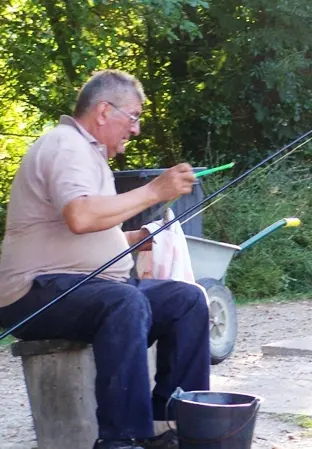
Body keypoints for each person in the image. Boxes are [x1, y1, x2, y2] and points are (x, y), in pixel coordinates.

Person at [0, 70, 210, 449]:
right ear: (102, 111)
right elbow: (80, 216)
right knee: (124, 303)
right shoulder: (66, 145)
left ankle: (172, 424)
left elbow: (91, 229)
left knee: (187, 300)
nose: (137, 129)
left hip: (83, 288)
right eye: (133, 117)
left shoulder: (90, 155)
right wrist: (153, 191)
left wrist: (140, 239)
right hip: (34, 293)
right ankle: (122, 439)